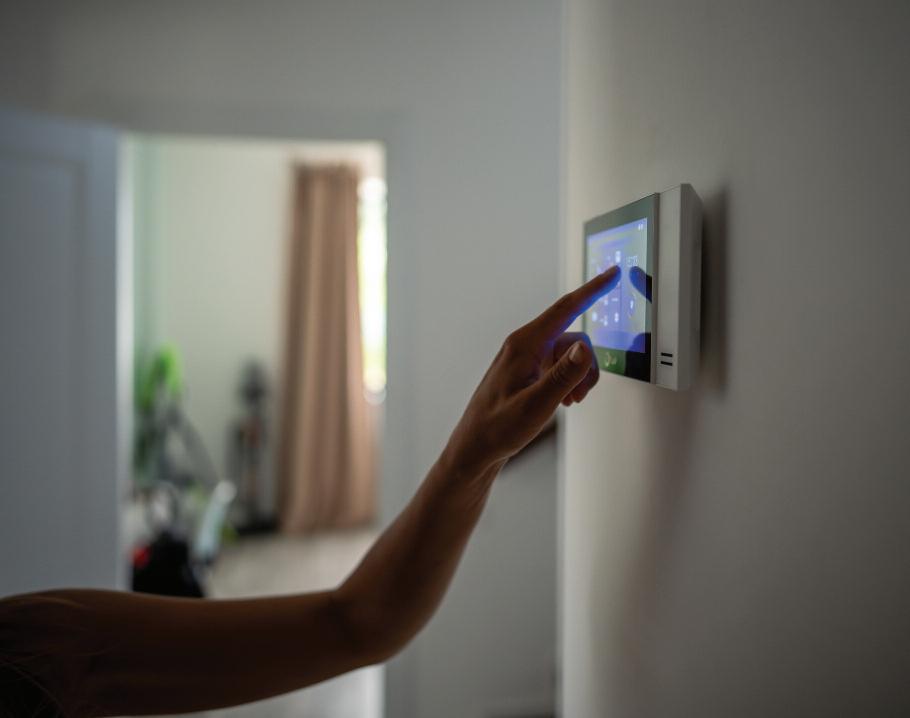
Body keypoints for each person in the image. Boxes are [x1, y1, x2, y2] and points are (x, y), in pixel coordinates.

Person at [0, 267, 621, 718]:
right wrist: (474, 453)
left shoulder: (35, 647)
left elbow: (357, 623)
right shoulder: (43, 650)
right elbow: (354, 626)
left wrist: (476, 452)